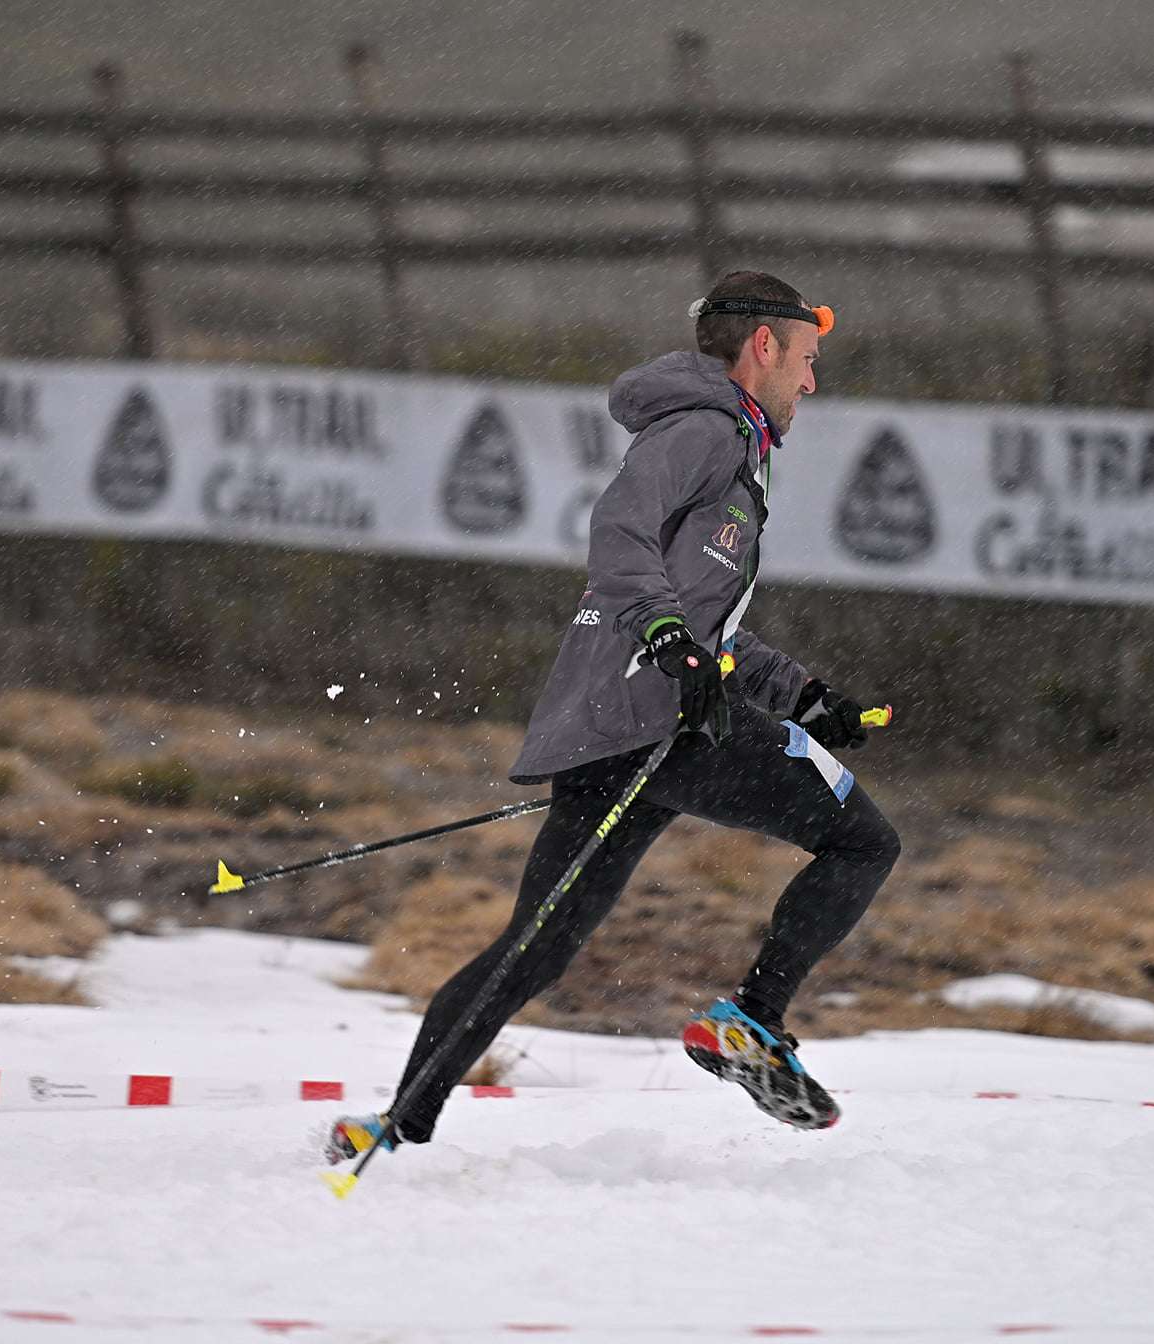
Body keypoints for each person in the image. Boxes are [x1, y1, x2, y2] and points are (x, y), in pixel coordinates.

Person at [327, 270, 901, 1163]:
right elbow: (619, 535)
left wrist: (800, 694)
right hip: (664, 723)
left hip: (619, 727)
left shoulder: (723, 442)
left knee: (539, 947)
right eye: (807, 359)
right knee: (865, 841)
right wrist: (673, 640)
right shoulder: (707, 432)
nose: (811, 382)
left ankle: (394, 1126)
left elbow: (707, 625)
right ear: (763, 348)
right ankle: (751, 1019)